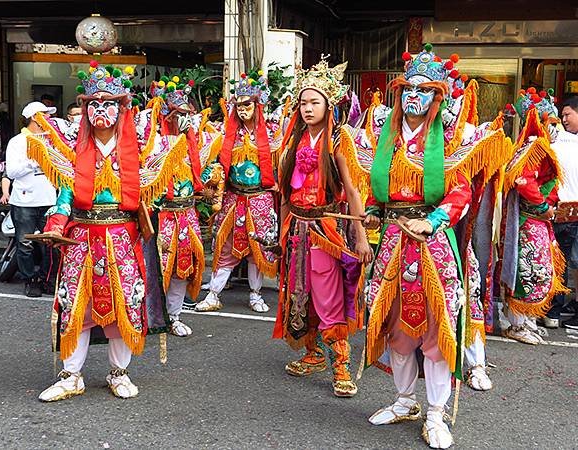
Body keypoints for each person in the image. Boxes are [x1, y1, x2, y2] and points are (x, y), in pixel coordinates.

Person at [364, 45, 509, 449]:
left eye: (423, 89)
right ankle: (404, 400)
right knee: (395, 326)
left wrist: (432, 221)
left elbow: (460, 192)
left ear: (436, 96)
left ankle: (435, 413)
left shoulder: (448, 137)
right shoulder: (385, 137)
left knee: (436, 329)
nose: (413, 95)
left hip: (432, 244)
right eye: (407, 89)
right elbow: (381, 189)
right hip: (392, 241)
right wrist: (376, 210)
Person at [27, 61, 179, 401]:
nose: (100, 110)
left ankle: (119, 373)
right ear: (85, 109)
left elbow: (152, 191)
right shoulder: (74, 149)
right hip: (81, 240)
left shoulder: (139, 148)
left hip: (123, 241)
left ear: (121, 108)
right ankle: (71, 376)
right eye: (93, 103)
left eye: (108, 103)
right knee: (75, 307)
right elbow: (65, 196)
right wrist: (54, 225)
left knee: (125, 304)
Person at [272, 58, 372, 398]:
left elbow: (353, 190)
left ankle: (341, 365)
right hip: (296, 229)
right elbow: (285, 193)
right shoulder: (292, 144)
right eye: (303, 102)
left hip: (325, 230)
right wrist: (278, 235)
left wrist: (360, 237)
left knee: (328, 297)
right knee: (299, 294)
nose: (308, 108)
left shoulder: (340, 140)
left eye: (315, 102)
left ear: (329, 105)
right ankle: (313, 353)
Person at [134, 75, 217, 336]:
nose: (185, 120)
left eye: (187, 114)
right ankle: (150, 316)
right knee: (153, 268)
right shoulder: (151, 144)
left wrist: (209, 183)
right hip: (161, 217)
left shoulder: (194, 142)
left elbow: (199, 177)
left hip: (187, 215)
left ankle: (175, 315)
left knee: (183, 268)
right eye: (179, 114)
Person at [195, 70, 279, 313]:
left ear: (257, 105)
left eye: (246, 104)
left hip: (260, 198)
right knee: (226, 246)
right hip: (233, 198)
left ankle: (255, 294)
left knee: (258, 248)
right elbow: (213, 162)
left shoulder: (273, 132)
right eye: (238, 105)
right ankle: (213, 294)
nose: (242, 110)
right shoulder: (226, 134)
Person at [500, 88, 568, 344]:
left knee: (535, 267)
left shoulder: (537, 146)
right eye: (552, 122)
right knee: (527, 268)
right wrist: (541, 207)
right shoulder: (535, 146)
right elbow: (524, 181)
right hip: (531, 219)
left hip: (537, 220)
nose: (555, 127)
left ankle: (526, 320)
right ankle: (517, 325)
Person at [5, 101, 57, 297]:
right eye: (46, 114)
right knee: (25, 244)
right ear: (35, 117)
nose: (49, 118)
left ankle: (47, 279)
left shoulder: (51, 140)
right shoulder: (17, 142)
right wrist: (35, 160)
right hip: (24, 201)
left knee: (51, 243)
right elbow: (12, 171)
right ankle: (30, 279)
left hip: (49, 199)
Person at [556, 97, 578, 329]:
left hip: (571, 212)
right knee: (565, 262)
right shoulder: (565, 141)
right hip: (566, 213)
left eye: (568, 114)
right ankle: (562, 305)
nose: (564, 120)